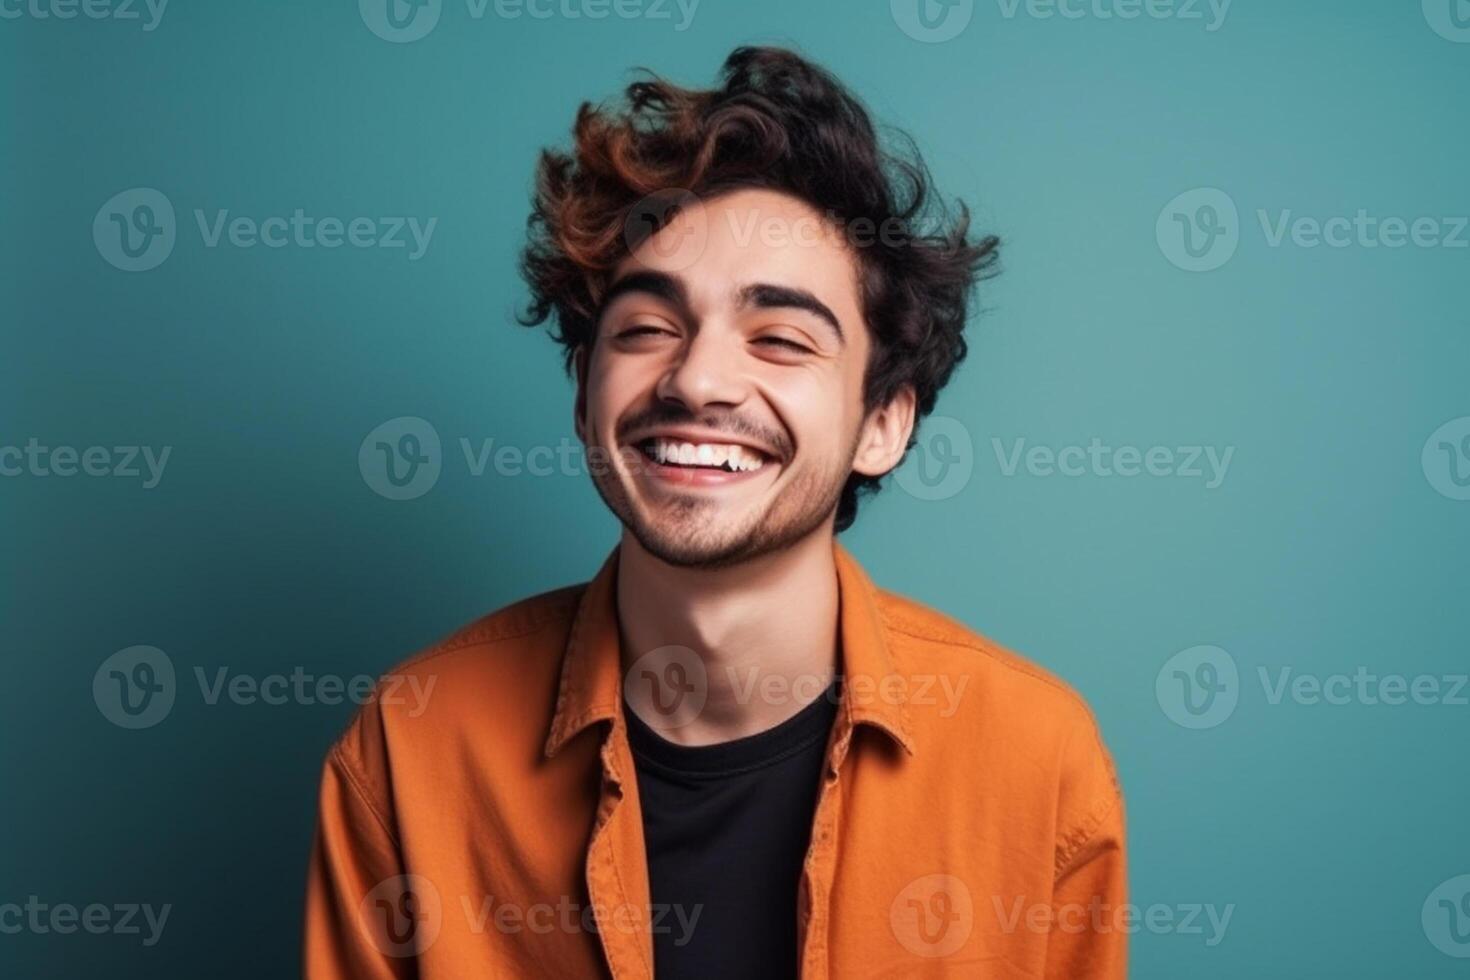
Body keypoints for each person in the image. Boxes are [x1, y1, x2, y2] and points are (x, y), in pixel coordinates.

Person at [304, 45, 1125, 979]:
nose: (696, 378)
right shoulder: (411, 745)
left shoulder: (1037, 762)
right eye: (648, 329)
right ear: (584, 397)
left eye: (779, 338)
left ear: (882, 425)